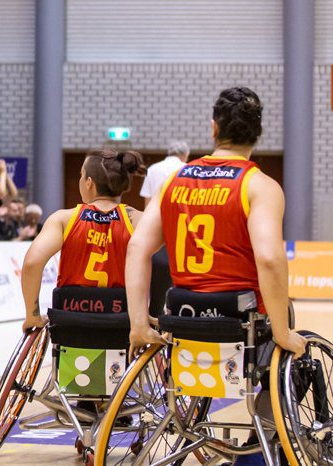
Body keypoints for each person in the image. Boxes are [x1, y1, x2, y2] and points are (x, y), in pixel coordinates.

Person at [124, 87, 306, 462]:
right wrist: (284, 332)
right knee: (295, 347)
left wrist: (139, 324)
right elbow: (270, 259)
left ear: (212, 128)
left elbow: (137, 248)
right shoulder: (260, 185)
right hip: (241, 323)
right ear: (259, 133)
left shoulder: (174, 181)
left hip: (183, 317)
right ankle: (264, 446)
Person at [21, 150, 146, 331]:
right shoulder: (138, 220)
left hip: (71, 319)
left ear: (89, 183)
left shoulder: (63, 219)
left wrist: (32, 316)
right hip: (122, 320)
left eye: (81, 175)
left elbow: (32, 263)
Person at [140, 140, 189, 206]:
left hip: (157, 214)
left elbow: (148, 199)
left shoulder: (152, 169)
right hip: (180, 214)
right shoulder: (188, 169)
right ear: (185, 155)